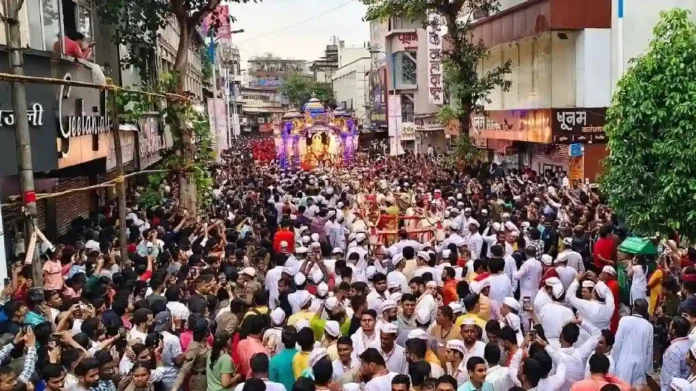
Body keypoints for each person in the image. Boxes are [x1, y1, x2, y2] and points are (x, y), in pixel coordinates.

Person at [612, 299, 654, 386]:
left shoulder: (624, 320)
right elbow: (649, 351)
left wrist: (613, 361)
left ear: (634, 308)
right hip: (640, 364)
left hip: (623, 362)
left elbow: (617, 343)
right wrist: (648, 370)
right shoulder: (649, 326)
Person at [660, 317, 692, 391]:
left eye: (670, 325)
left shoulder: (674, 349)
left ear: (674, 331)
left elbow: (672, 377)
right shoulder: (691, 343)